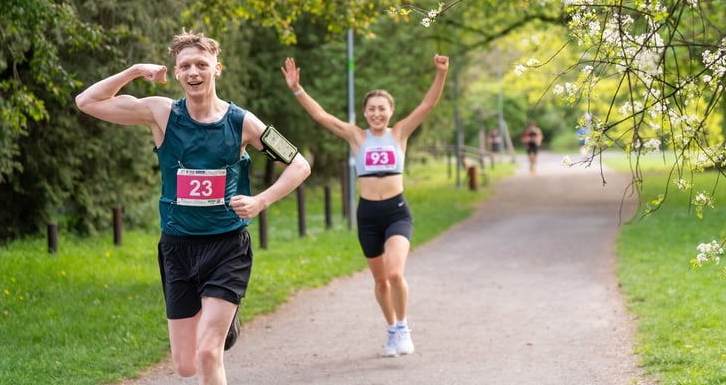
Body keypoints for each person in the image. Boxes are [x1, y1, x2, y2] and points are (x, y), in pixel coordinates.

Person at [75, 30, 311, 385]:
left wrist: (261, 200)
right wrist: (135, 71)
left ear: (218, 68)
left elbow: (299, 165)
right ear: (177, 72)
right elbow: (87, 102)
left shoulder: (242, 122)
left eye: (202, 64)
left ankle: (220, 320)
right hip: (177, 248)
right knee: (185, 365)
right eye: (185, 66)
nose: (193, 72)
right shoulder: (161, 113)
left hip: (227, 246)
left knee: (207, 353)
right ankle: (225, 322)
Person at [281, 53, 449, 357]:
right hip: (368, 215)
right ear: (365, 113)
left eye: (382, 109)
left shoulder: (399, 133)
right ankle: (391, 328)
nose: (377, 114)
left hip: (397, 212)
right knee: (381, 281)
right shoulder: (356, 137)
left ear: (391, 111)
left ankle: (404, 327)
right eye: (371, 109)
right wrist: (296, 88)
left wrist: (440, 73)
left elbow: (428, 106)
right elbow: (322, 117)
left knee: (396, 273)